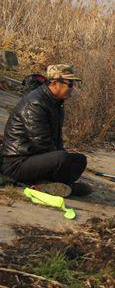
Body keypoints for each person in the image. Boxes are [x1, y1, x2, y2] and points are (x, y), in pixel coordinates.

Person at [1, 64, 90, 197]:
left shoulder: (56, 103)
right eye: (69, 84)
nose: (72, 88)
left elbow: (56, 140)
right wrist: (60, 162)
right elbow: (41, 143)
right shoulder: (36, 103)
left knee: (80, 160)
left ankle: (49, 183)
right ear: (54, 83)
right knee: (62, 158)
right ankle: (60, 185)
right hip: (17, 163)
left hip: (35, 158)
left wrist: (62, 161)